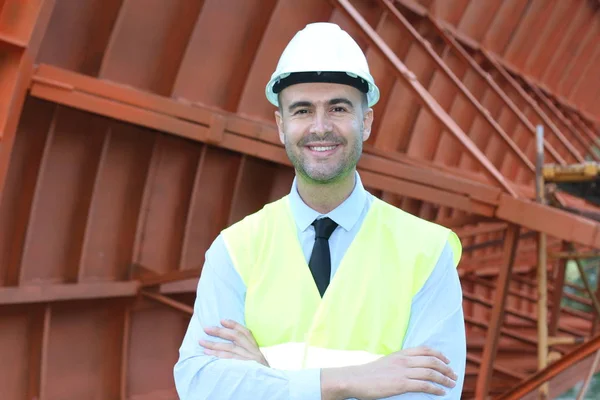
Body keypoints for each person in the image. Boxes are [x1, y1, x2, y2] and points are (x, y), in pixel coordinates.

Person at [174, 22, 466, 400]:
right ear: (281, 126)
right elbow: (201, 386)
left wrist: (267, 377)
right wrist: (345, 383)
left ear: (366, 121)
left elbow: (431, 395)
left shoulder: (427, 252)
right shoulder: (235, 250)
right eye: (302, 110)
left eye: (338, 108)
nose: (320, 127)